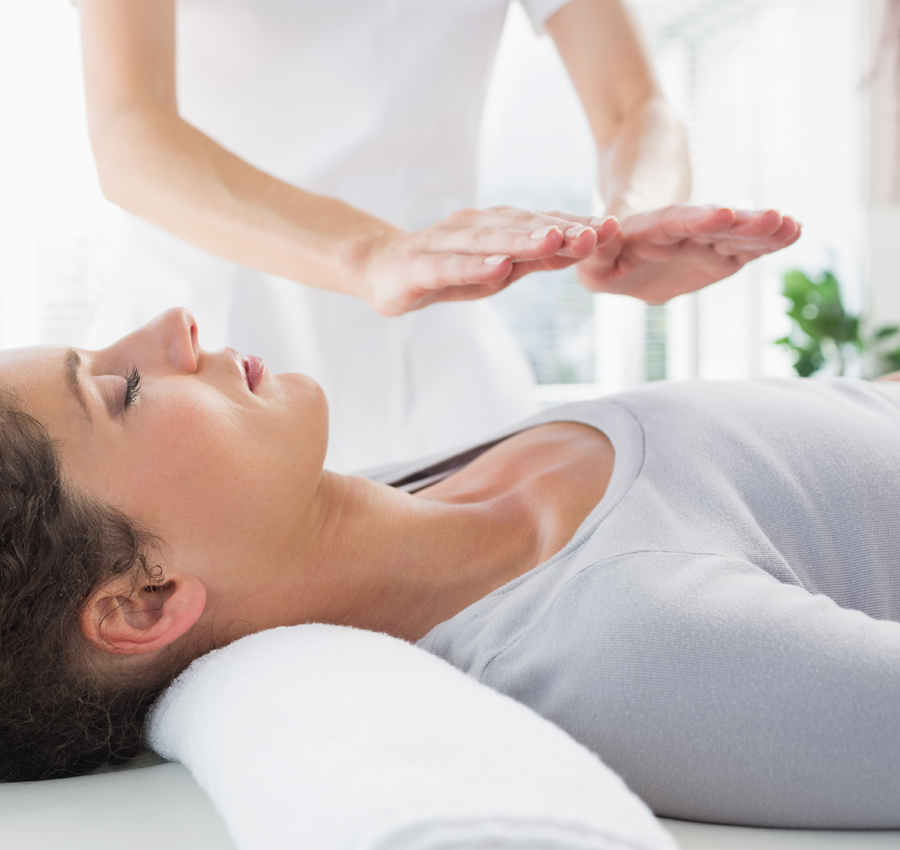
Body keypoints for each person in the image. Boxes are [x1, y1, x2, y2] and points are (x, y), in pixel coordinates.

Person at [1, 302, 899, 830]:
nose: (170, 327)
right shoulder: (626, 645)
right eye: (122, 390)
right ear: (144, 601)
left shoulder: (414, 483)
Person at [78, 0, 793, 471]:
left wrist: (631, 221)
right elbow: (130, 133)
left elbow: (636, 106)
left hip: (442, 363)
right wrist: (370, 253)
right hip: (201, 354)